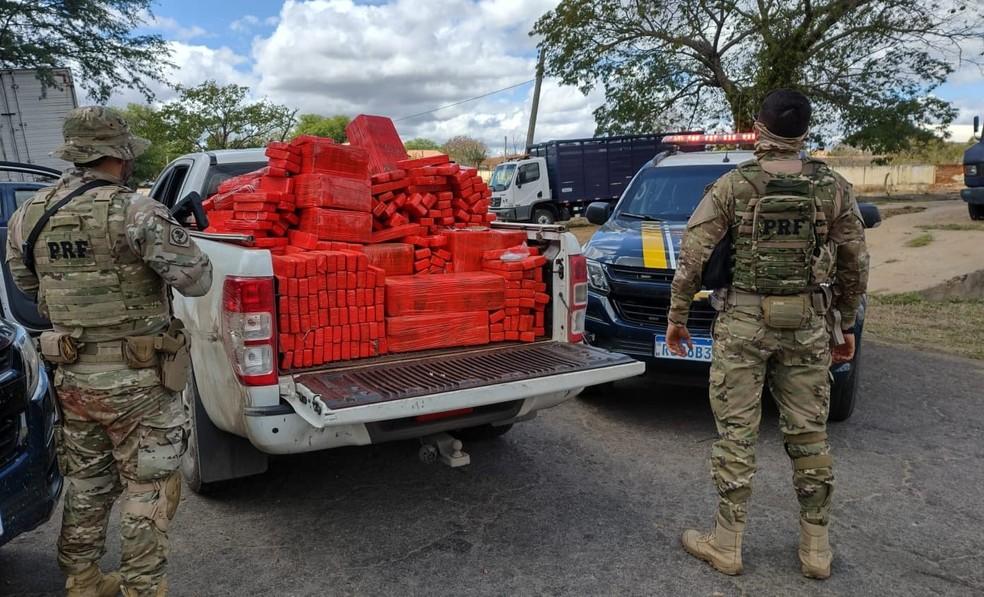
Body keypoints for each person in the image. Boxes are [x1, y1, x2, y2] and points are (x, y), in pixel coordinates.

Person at [5, 106, 213, 596]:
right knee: (150, 486)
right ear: (118, 156)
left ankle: (83, 581)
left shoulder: (29, 214)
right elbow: (197, 279)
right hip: (140, 380)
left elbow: (25, 285)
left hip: (73, 376)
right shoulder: (136, 210)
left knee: (88, 484)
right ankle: (143, 588)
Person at [666, 89, 869, 580]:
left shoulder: (734, 186)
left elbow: (692, 256)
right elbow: (855, 262)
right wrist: (842, 320)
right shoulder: (833, 187)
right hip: (807, 326)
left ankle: (727, 543)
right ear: (803, 134)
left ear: (759, 130)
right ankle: (816, 551)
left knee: (737, 433)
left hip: (744, 325)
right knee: (809, 432)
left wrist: (677, 317)